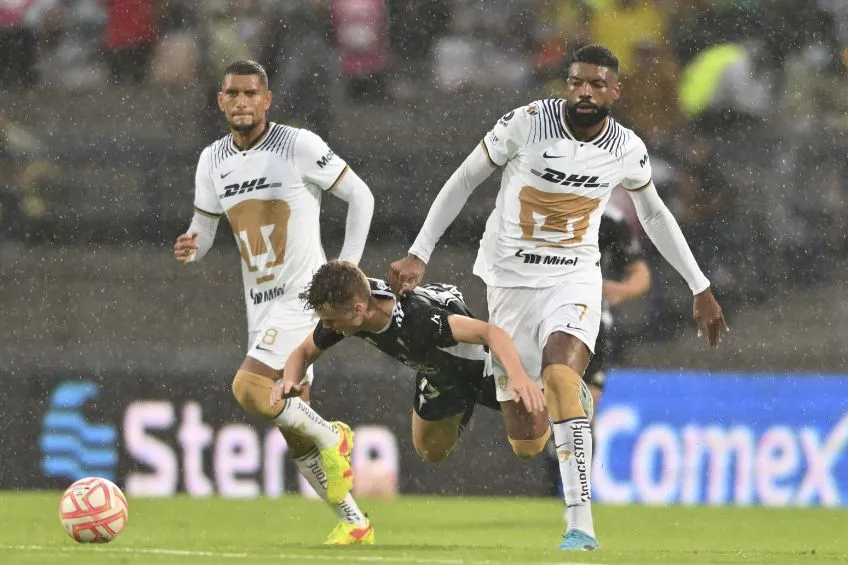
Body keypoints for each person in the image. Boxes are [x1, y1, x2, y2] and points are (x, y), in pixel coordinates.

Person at [388, 44, 728, 551]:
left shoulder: (626, 147)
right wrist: (419, 252)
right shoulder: (525, 124)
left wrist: (699, 285)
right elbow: (464, 179)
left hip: (573, 279)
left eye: (596, 84)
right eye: (576, 82)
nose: (584, 92)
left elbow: (655, 215)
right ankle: (506, 385)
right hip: (510, 283)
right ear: (567, 85)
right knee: (527, 442)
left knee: (561, 377)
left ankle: (580, 526)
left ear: (615, 90)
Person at [172, 60, 376, 545]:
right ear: (220, 101)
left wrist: (345, 271)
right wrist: (190, 245)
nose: (241, 102)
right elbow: (203, 233)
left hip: (304, 298)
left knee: (248, 388)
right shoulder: (212, 160)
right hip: (259, 304)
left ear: (267, 99)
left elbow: (361, 196)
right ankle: (355, 522)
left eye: (250, 93)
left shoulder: (297, 145)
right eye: (232, 94)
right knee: (291, 423)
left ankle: (337, 437)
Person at [271, 260, 548, 464]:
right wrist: (291, 381)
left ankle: (559, 394)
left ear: (358, 311)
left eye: (330, 320)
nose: (328, 327)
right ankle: (459, 405)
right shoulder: (353, 303)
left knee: (528, 447)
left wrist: (518, 377)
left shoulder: (418, 321)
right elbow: (302, 352)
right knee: (430, 451)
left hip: (478, 368)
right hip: (438, 374)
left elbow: (490, 333)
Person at [545, 203, 651, 494]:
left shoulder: (611, 219)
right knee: (553, 409)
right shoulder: (546, 206)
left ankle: (574, 490)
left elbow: (641, 273)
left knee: (584, 409)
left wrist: (621, 289)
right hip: (548, 319)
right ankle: (557, 465)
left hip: (593, 324)